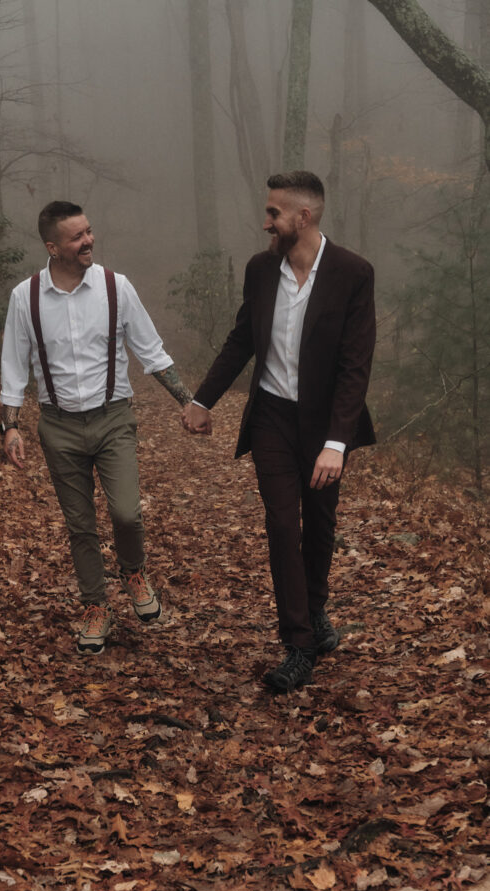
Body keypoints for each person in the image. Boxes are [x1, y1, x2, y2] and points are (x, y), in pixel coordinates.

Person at [183, 171, 376, 695]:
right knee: (280, 524)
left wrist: (337, 442)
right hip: (270, 416)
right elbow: (243, 336)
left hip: (324, 424)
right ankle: (298, 644)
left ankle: (314, 610)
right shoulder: (260, 268)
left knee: (319, 523)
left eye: (273, 214)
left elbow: (356, 366)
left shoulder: (353, 273)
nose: (265, 222)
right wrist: (203, 399)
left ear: (303, 218)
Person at [0, 200, 193, 655]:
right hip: (58, 426)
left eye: (88, 231)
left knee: (127, 512)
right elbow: (13, 368)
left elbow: (151, 351)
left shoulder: (115, 287)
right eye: (76, 236)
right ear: (52, 246)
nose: (88, 241)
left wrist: (188, 402)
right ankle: (95, 606)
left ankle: (134, 572)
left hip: (112, 419)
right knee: (80, 524)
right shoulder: (24, 297)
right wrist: (9, 427)